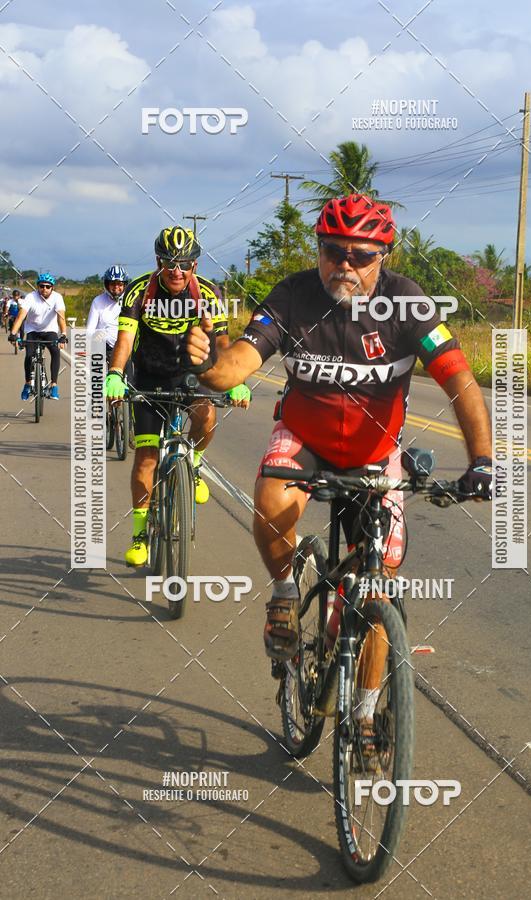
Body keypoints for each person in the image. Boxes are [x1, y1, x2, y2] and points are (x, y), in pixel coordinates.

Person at [186, 194, 492, 744]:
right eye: (333, 251)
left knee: (378, 589)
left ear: (383, 256)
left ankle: (367, 715)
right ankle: (285, 593)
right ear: (319, 249)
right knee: (273, 497)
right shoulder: (293, 296)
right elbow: (238, 364)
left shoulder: (408, 303)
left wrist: (482, 461)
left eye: (361, 255)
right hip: (305, 437)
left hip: (375, 454)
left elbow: (460, 381)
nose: (344, 265)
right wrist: (210, 365)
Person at [104, 225, 251, 567]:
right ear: (158, 262)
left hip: (191, 374)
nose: (176, 270)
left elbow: (222, 344)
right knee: (146, 457)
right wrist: (115, 373)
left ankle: (194, 464)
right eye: (169, 262)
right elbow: (125, 339)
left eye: (184, 264)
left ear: (194, 265)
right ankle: (139, 535)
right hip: (149, 375)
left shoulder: (208, 294)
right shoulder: (140, 291)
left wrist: (235, 380)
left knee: (207, 415)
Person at [9, 274, 68, 399]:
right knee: (29, 355)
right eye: (41, 286)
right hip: (33, 331)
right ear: (38, 287)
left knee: (55, 351)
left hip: (50, 331)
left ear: (52, 287)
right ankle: (27, 384)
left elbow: (61, 318)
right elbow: (21, 316)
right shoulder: (31, 297)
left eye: (48, 286)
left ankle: (54, 386)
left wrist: (63, 334)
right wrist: (13, 334)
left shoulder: (57, 297)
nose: (44, 289)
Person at [86, 265, 130, 361]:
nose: (116, 287)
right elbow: (90, 329)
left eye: (120, 284)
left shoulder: (130, 301)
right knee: (95, 371)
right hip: (102, 346)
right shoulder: (98, 301)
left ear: (125, 285)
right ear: (107, 284)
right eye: (113, 284)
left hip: (124, 348)